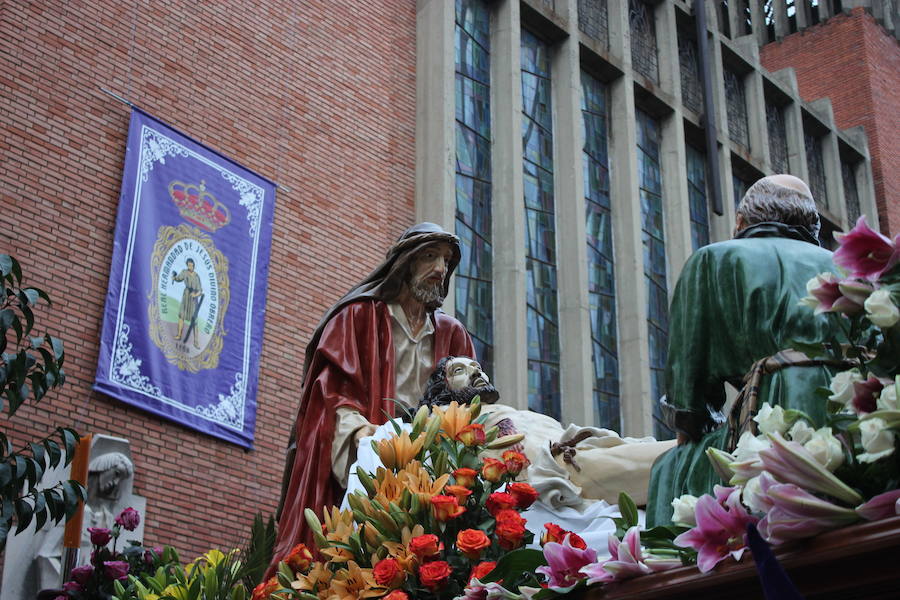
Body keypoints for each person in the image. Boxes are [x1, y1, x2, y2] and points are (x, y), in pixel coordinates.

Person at [269, 223, 475, 574]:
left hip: (431, 465)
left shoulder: (452, 334)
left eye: (446, 260)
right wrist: (364, 435)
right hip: (371, 452)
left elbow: (471, 403)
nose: (440, 269)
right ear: (405, 262)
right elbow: (330, 397)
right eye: (429, 257)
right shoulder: (358, 317)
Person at [645, 174, 841, 526]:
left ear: (741, 220)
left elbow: (688, 391)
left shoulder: (713, 260)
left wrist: (688, 432)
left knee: (669, 471)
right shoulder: (852, 268)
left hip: (771, 428)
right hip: (855, 425)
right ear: (811, 224)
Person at [172, 257, 202, 348]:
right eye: (188, 265)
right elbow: (178, 278)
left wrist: (195, 295)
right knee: (181, 316)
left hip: (193, 300)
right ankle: (179, 335)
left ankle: (196, 341)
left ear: (194, 265)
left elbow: (200, 291)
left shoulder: (196, 276)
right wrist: (174, 278)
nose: (190, 266)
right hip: (186, 297)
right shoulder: (184, 272)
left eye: (191, 265)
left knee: (194, 321)